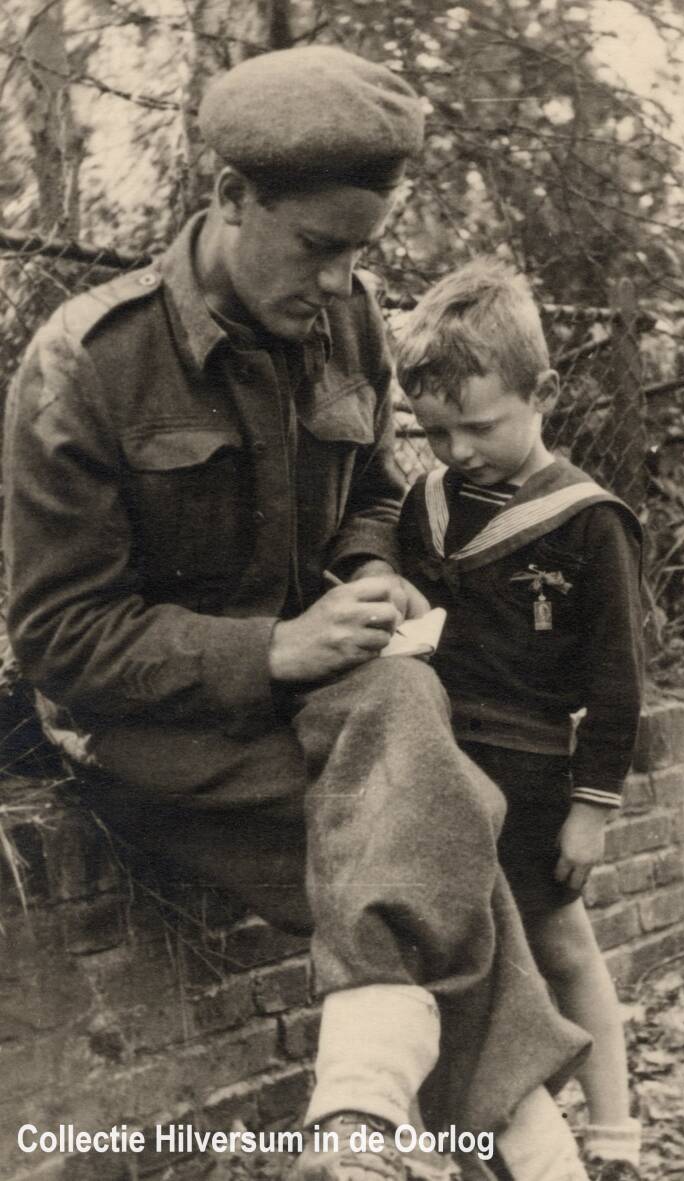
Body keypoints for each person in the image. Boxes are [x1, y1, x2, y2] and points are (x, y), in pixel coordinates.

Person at [2, 47, 595, 1181]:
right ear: (229, 198)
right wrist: (272, 647)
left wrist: (367, 568)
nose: (337, 281)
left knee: (404, 736)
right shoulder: (88, 362)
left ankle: (361, 1125)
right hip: (149, 731)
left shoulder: (350, 319)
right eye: (317, 246)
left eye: (357, 251)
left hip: (327, 710)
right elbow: (60, 640)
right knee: (442, 823)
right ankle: (528, 1151)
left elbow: (372, 486)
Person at [395, 259, 646, 1179]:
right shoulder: (425, 507)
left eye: (481, 426)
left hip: (536, 771)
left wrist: (593, 807)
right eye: (436, 431)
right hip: (437, 762)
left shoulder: (587, 521)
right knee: (457, 959)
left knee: (561, 946)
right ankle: (470, 1138)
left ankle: (614, 1134)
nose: (457, 450)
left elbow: (619, 681)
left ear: (543, 392)